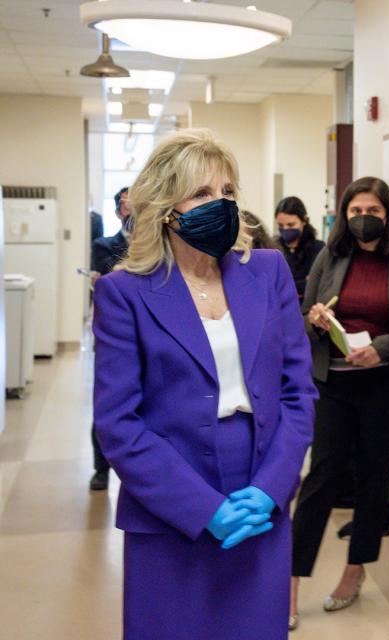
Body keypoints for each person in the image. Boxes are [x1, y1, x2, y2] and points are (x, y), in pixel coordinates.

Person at [92, 129, 318, 640]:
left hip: (260, 490)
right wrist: (203, 508)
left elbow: (297, 393)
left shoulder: (268, 271)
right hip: (170, 498)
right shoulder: (123, 293)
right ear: (164, 207)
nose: (221, 204)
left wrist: (271, 488)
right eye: (202, 194)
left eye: (229, 191)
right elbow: (117, 425)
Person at [289, 176, 389, 628]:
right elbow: (306, 320)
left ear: (387, 214)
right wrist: (314, 321)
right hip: (334, 385)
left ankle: (354, 571)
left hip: (387, 389)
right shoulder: (330, 257)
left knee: (373, 480)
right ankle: (289, 582)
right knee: (320, 480)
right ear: (344, 217)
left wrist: (382, 349)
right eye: (355, 211)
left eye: (371, 210)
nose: (363, 218)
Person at [87, 186, 131, 491]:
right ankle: (101, 467)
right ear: (118, 212)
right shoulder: (104, 245)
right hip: (112, 330)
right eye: (128, 207)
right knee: (109, 399)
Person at [275, 195, 325, 301]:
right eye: (280, 225)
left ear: (304, 221)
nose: (285, 229)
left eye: (291, 224)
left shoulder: (319, 249)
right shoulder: (274, 248)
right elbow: (272, 286)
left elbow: (315, 286)